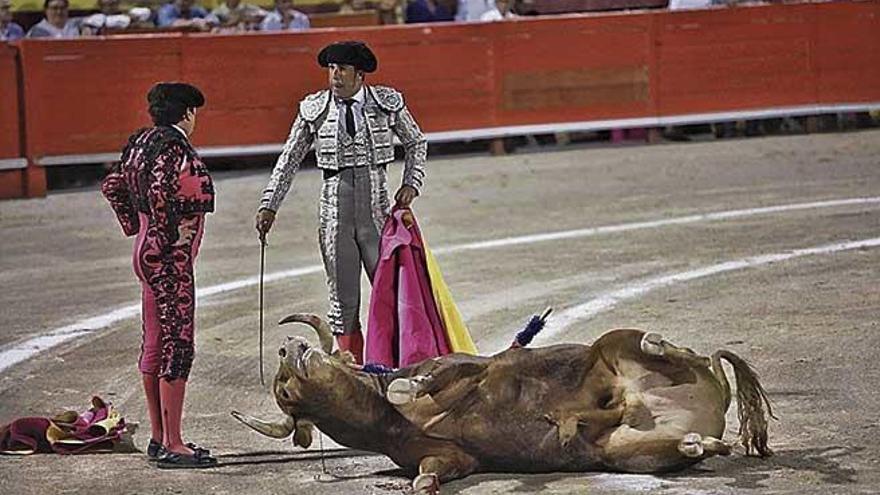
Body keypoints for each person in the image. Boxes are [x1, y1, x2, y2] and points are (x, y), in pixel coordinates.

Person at [255, 40, 427, 363]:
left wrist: (411, 184)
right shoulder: (315, 108)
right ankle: (354, 376)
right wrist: (269, 203)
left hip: (377, 215)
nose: (334, 75)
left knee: (388, 294)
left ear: (360, 74)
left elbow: (416, 141)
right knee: (344, 302)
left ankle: (396, 366)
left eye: (342, 69)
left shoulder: (386, 103)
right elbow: (289, 158)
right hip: (335, 216)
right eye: (331, 69)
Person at [101, 82, 217, 469]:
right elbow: (163, 192)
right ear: (186, 114)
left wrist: (137, 226)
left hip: (148, 253)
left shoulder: (140, 142)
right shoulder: (173, 146)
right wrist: (170, 239)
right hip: (169, 258)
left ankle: (158, 437)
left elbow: (113, 184)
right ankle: (174, 443)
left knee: (155, 341)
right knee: (177, 343)